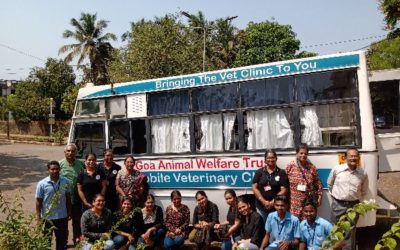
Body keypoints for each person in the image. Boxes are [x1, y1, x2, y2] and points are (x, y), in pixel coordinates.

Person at [327, 147, 368, 250]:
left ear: (359, 157)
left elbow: (364, 191)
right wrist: (337, 198)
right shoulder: (337, 169)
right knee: (334, 228)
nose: (353, 158)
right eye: (351, 156)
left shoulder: (363, 173)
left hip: (353, 206)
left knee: (350, 231)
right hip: (338, 204)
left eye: (355, 156)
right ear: (345, 157)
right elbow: (329, 184)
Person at [36, 161, 71, 250]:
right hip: (48, 217)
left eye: (57, 169)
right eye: (52, 169)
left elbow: (68, 198)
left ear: (60, 169)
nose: (55, 171)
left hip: (62, 216)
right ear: (48, 170)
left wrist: (69, 212)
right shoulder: (42, 184)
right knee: (46, 241)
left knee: (62, 240)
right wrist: (38, 217)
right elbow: (38, 201)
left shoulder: (65, 181)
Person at [286, 143, 323, 218]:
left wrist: (319, 197)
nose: (303, 155)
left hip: (308, 204)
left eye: (305, 153)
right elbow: (284, 183)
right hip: (294, 204)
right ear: (297, 153)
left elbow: (318, 184)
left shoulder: (311, 167)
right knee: (295, 225)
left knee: (307, 224)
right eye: (301, 153)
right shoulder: (290, 166)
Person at [252, 149, 289, 222]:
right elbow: (254, 187)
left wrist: (273, 202)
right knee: (262, 227)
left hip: (276, 207)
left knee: (275, 226)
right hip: (261, 207)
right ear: (265, 160)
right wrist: (263, 201)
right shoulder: (259, 172)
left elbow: (284, 190)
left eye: (272, 157)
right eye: (268, 158)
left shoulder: (281, 172)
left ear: (276, 159)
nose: (270, 159)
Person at [59, 143, 85, 244]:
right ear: (65, 152)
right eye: (68, 151)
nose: (71, 153)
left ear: (76, 152)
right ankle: (64, 241)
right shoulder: (60, 164)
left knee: (76, 221)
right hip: (63, 199)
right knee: (63, 222)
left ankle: (76, 239)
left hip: (77, 198)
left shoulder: (81, 164)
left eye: (73, 151)